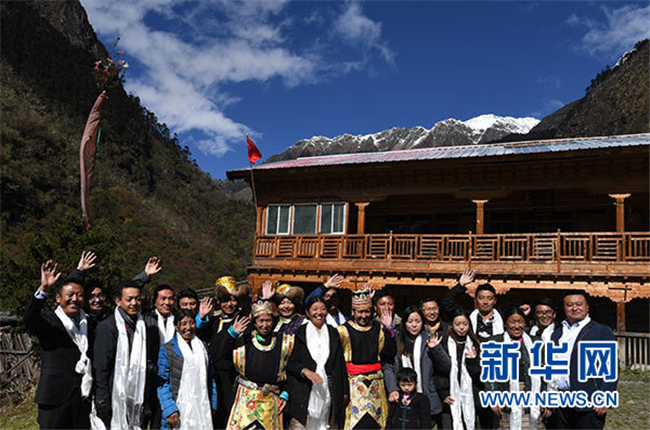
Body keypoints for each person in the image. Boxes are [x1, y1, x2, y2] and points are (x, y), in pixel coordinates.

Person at [24, 253, 97, 429]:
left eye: (80, 296)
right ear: (58, 298)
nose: (75, 299)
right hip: (54, 395)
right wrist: (43, 289)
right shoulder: (48, 320)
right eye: (69, 295)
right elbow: (29, 318)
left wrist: (79, 271)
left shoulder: (90, 322)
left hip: (83, 395)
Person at [549, 290, 618, 429]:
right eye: (569, 305)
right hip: (561, 400)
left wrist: (605, 396)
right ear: (564, 308)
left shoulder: (600, 331)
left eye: (579, 304)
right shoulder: (557, 333)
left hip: (588, 400)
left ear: (587, 306)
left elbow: (611, 367)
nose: (574, 308)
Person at [227, 299, 295, 430]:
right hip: (246, 399)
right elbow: (219, 354)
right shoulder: (243, 340)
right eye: (261, 321)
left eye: (268, 320)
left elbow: (292, 371)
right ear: (254, 322)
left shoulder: (285, 342)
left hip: (271, 399)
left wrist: (285, 393)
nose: (265, 325)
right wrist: (231, 334)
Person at [94, 279, 151, 429]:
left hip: (136, 392)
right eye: (129, 299)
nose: (134, 303)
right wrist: (102, 398)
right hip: (114, 391)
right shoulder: (108, 327)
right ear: (118, 301)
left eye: (138, 299)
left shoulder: (141, 325)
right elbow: (101, 366)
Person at [337, 287, 396, 429]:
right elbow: (338, 363)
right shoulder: (343, 331)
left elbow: (389, 354)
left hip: (376, 383)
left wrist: (389, 330)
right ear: (353, 311)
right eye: (360, 312)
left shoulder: (379, 328)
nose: (364, 316)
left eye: (367, 311)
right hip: (353, 384)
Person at [287, 296, 348, 430]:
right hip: (304, 388)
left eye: (322, 309)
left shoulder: (333, 332)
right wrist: (305, 371)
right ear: (307, 312)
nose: (319, 313)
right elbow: (291, 363)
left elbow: (340, 363)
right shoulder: (299, 332)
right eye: (315, 309)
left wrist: (344, 391)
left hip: (330, 388)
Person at [485, 307, 545, 430]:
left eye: (520, 322)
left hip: (531, 395)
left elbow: (545, 372)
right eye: (513, 322)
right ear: (505, 324)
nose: (517, 326)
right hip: (506, 394)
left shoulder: (536, 342)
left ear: (525, 323)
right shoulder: (495, 342)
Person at [157, 309, 217, 430]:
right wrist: (170, 409)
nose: (188, 327)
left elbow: (211, 378)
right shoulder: (168, 349)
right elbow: (162, 383)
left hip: (202, 407)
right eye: (184, 324)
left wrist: (213, 404)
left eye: (192, 323)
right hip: (178, 408)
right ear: (176, 326)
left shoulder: (203, 347)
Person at [383, 306, 442, 425]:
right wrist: (392, 389)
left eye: (417, 321)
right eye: (410, 321)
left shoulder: (429, 339)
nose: (414, 325)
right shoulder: (397, 341)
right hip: (402, 396)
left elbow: (446, 366)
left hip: (426, 396)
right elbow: (388, 366)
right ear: (404, 323)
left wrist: (436, 349)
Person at [428, 310, 482, 430]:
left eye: (465, 324)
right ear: (452, 324)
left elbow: (479, 375)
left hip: (471, 397)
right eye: (458, 324)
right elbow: (438, 370)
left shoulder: (475, 343)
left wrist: (472, 361)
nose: (461, 328)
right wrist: (443, 393)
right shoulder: (444, 341)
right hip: (450, 396)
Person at [209, 276, 251, 429]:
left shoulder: (244, 320)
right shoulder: (213, 321)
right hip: (216, 375)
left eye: (233, 300)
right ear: (218, 302)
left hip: (235, 376)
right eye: (225, 300)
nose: (229, 304)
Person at [442, 268, 504, 342]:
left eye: (489, 298)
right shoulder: (468, 316)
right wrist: (460, 285)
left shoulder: (502, 317)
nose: (485, 302)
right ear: (475, 300)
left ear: (495, 301)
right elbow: (447, 303)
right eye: (481, 298)